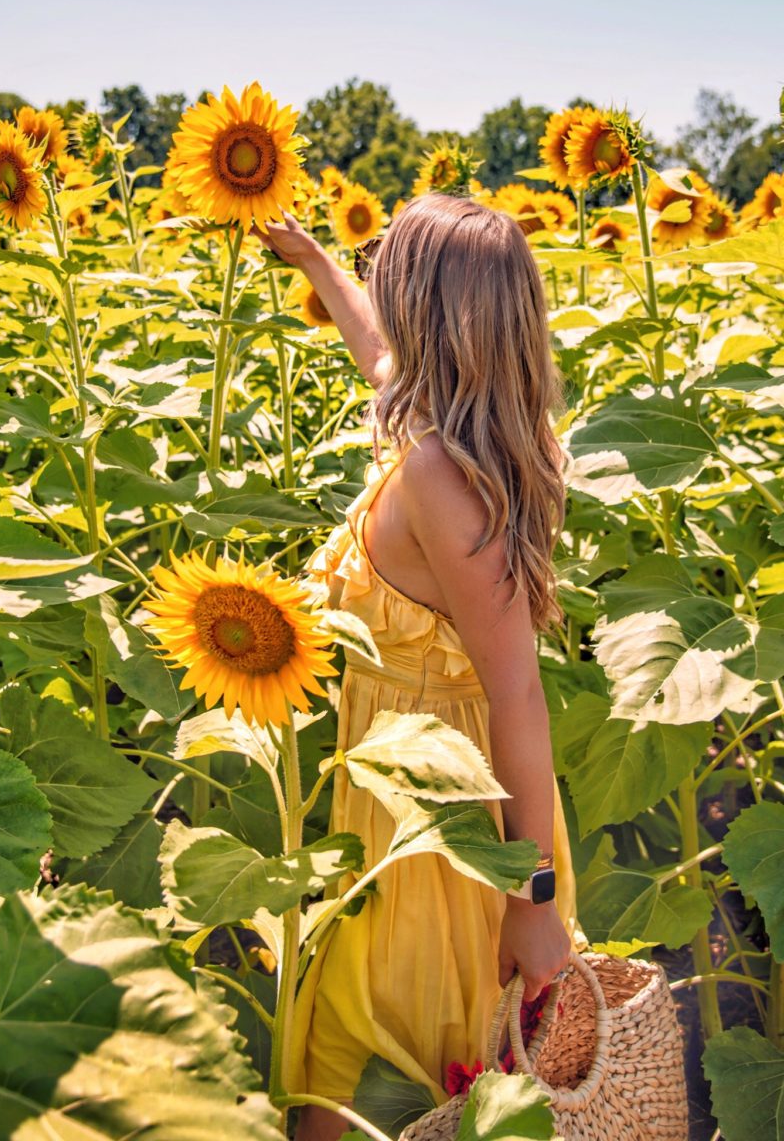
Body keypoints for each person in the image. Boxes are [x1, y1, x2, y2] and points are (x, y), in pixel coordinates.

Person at [252, 193, 585, 1141]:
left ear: (429, 310)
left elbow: (517, 692)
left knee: (368, 1075)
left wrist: (533, 901)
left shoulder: (442, 476)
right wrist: (317, 262)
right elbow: (378, 356)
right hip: (407, 803)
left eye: (386, 274)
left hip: (445, 832)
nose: (377, 294)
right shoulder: (454, 429)